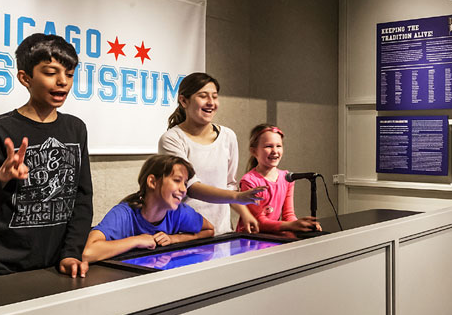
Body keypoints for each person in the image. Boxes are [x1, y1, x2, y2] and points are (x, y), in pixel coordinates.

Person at [0, 33, 92, 278]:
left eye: (70, 74)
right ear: (25, 78)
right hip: (5, 272)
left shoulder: (76, 128)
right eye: (51, 72)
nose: (62, 81)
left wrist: (72, 252)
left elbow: (82, 198)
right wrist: (1, 178)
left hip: (60, 268)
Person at [158, 72, 264, 234]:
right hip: (186, 233)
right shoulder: (172, 139)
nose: (211, 103)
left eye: (214, 97)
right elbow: (190, 187)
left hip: (221, 231)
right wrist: (237, 197)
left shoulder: (228, 136)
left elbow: (229, 185)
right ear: (183, 101)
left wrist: (245, 213)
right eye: (203, 96)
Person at [83, 155, 214, 262]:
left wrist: (174, 239)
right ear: (152, 182)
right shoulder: (123, 214)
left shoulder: (179, 212)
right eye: (176, 180)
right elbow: (88, 252)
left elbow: (209, 230)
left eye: (185, 183)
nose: (183, 189)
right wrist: (137, 240)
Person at [237, 123, 320, 236]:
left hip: (272, 235)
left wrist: (301, 225)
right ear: (254, 151)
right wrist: (290, 226)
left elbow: (288, 214)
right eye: (268, 146)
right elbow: (258, 221)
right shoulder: (249, 181)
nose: (275, 151)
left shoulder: (287, 178)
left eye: (278, 146)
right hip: (250, 238)